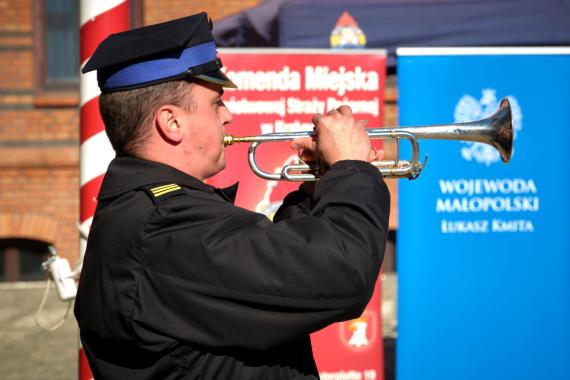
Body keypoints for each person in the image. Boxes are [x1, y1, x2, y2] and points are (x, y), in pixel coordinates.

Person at [74, 12, 390, 380]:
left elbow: (272, 281)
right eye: (216, 102)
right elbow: (341, 275)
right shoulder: (164, 227)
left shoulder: (156, 213)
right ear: (171, 122)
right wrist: (351, 168)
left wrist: (316, 192)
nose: (229, 115)